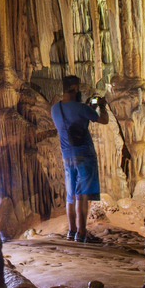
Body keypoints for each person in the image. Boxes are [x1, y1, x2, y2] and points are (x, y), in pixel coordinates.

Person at [51, 75, 109, 243]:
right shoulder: (81, 108)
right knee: (82, 195)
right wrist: (101, 106)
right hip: (84, 155)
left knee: (71, 196)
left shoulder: (55, 109)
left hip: (67, 157)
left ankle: (71, 231)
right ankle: (82, 233)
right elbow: (103, 120)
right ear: (76, 89)